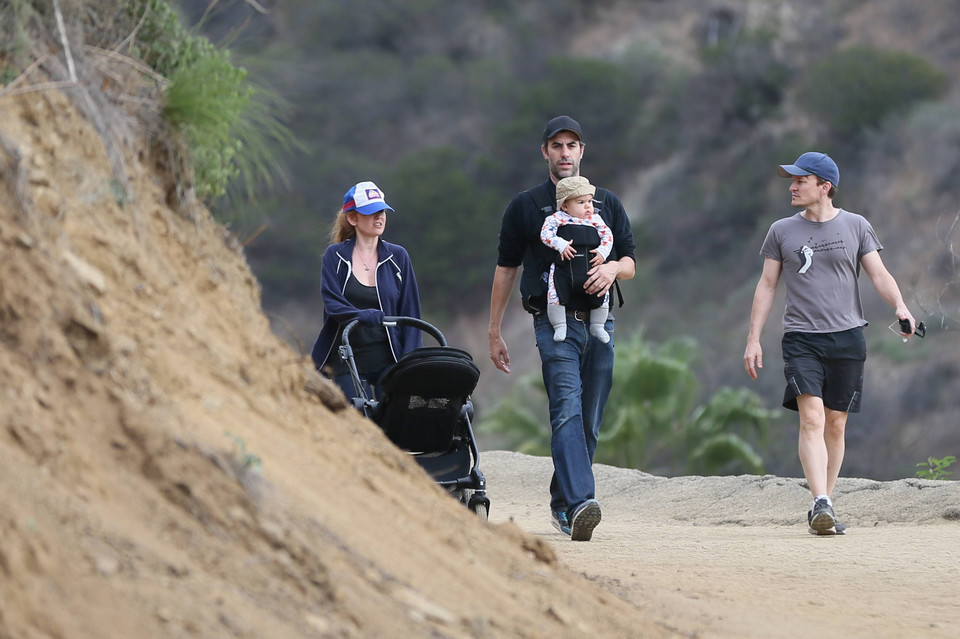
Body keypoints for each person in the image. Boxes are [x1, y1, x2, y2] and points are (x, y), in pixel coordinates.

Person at [743, 151, 919, 535]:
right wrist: (753, 338)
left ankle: (824, 504)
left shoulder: (856, 226)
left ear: (825, 187)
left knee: (835, 425)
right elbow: (767, 285)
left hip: (848, 337)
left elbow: (879, 273)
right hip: (801, 338)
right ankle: (820, 501)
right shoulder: (781, 231)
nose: (792, 186)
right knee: (812, 418)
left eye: (800, 180)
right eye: (792, 180)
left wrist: (901, 306)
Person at [488, 116, 636, 541]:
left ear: (582, 151)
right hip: (552, 325)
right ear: (545, 153)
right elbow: (506, 269)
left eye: (572, 145)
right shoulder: (525, 206)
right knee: (567, 409)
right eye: (557, 145)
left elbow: (629, 260)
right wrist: (494, 330)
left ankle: (564, 502)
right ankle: (582, 502)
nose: (565, 152)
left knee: (589, 420)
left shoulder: (605, 203)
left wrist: (611, 270)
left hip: (599, 322)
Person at [312, 180, 422, 403]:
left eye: (381, 211)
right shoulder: (334, 256)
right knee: (356, 419)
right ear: (352, 218)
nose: (379, 217)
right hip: (347, 359)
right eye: (371, 212)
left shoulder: (398, 257)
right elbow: (333, 305)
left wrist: (411, 363)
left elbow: (411, 313)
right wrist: (362, 315)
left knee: (394, 420)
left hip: (389, 359)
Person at [540, 175, 614, 344]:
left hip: (591, 267)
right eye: (581, 203)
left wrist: (603, 252)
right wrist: (560, 244)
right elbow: (545, 234)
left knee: (603, 292)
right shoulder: (556, 218)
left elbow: (607, 236)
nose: (588, 206)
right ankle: (560, 325)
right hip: (566, 267)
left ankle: (597, 325)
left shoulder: (595, 219)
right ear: (565, 206)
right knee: (555, 293)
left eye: (590, 201)